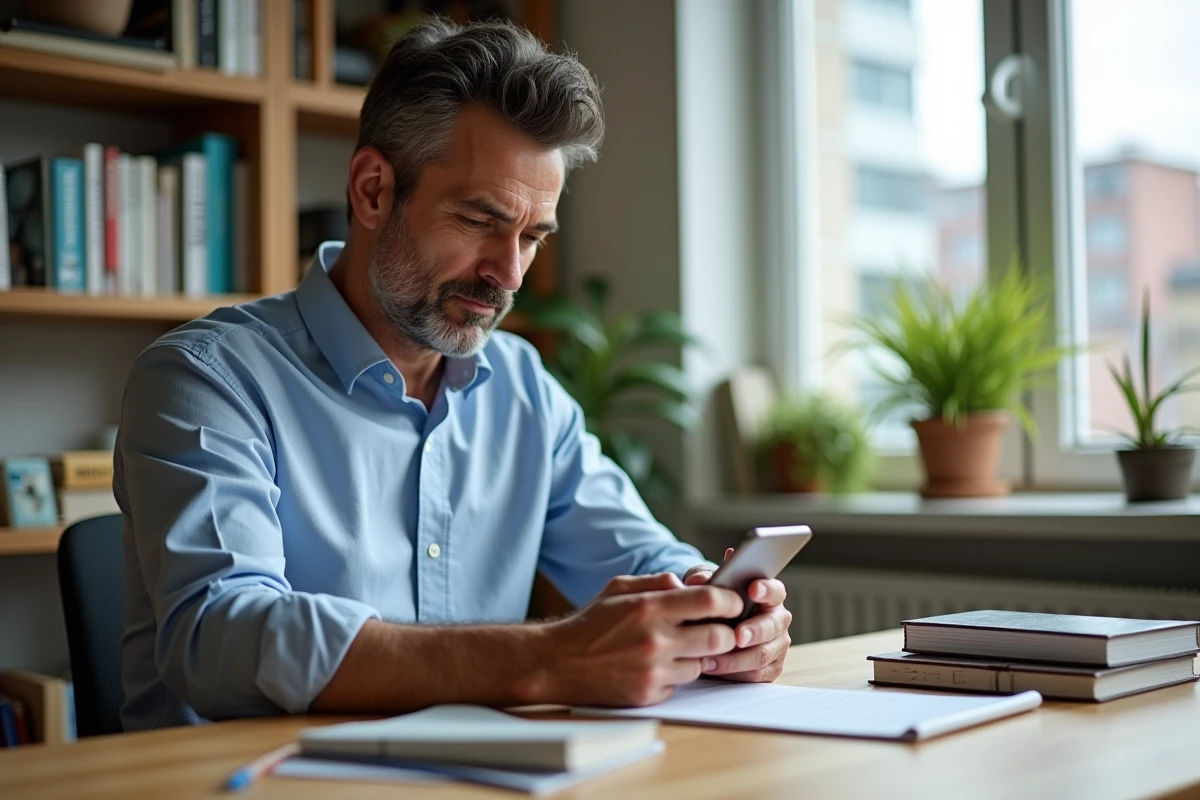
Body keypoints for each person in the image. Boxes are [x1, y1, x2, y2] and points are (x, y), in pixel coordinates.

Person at [116, 17, 791, 731]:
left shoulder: (524, 390)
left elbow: (644, 556)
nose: (508, 274)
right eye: (479, 220)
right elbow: (221, 639)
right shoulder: (206, 378)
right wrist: (547, 658)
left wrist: (721, 621)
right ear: (373, 191)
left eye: (532, 236)